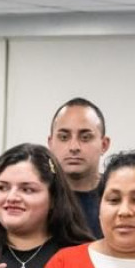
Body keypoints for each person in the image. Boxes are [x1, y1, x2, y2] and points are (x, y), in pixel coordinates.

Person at [47, 97, 109, 238]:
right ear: (50, 144)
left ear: (104, 145)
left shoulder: (120, 196)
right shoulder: (36, 196)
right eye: (64, 137)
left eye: (85, 137)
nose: (74, 147)